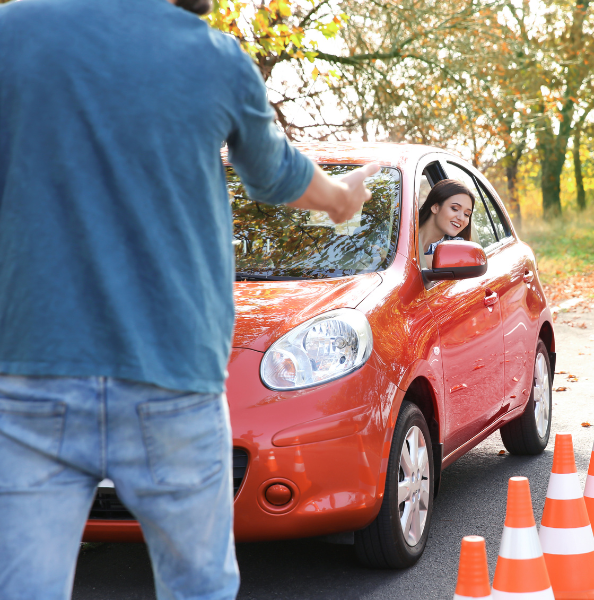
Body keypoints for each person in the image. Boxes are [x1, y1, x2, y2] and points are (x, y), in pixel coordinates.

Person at [0, 0, 377, 598]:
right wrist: (340, 199)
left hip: (31, 373)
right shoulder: (213, 56)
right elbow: (277, 175)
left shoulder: (12, 33)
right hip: (171, 375)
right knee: (198, 587)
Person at [418, 180, 477, 269]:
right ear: (435, 207)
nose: (461, 218)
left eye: (466, 214)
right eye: (454, 208)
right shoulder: (396, 233)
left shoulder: (458, 247)